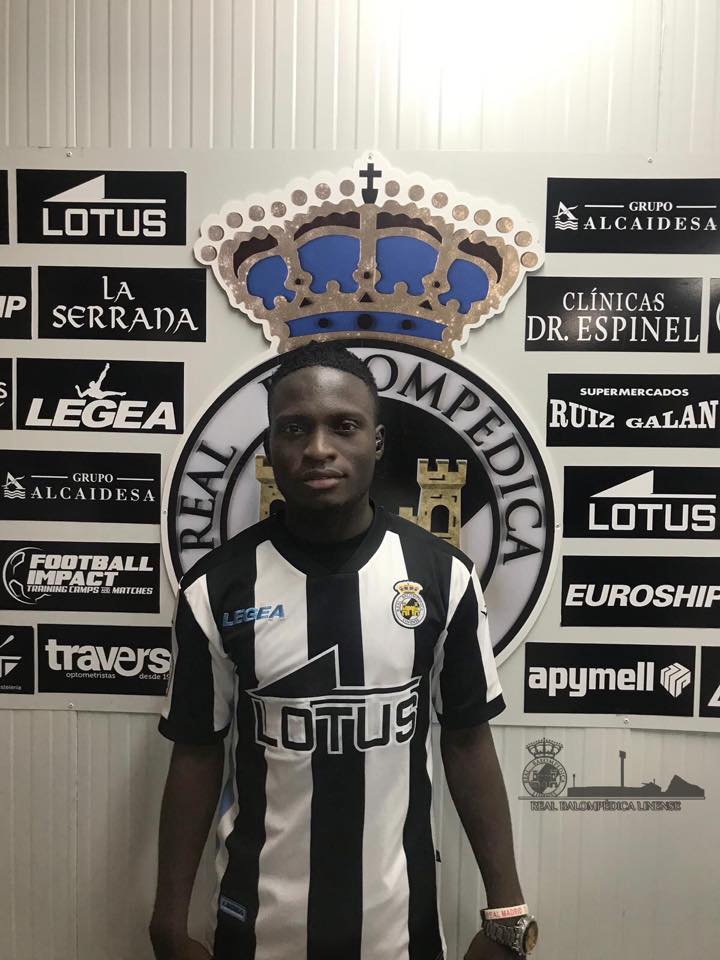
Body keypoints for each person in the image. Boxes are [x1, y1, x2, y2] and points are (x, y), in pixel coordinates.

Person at [150, 341, 537, 960]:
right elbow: (197, 752)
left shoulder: (443, 577)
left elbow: (467, 741)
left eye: (344, 426)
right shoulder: (215, 588)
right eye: (294, 428)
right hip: (257, 933)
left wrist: (507, 913)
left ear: (376, 443)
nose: (318, 448)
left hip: (399, 933)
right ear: (270, 447)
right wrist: (168, 922)